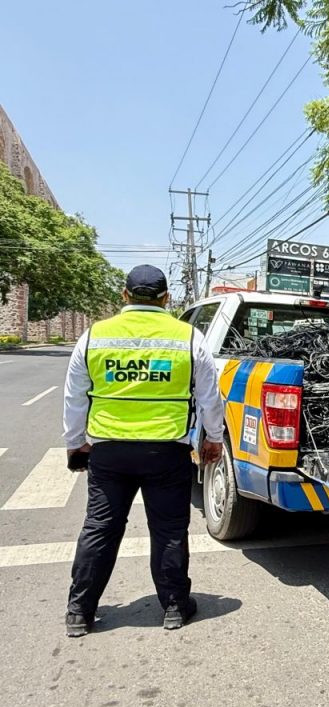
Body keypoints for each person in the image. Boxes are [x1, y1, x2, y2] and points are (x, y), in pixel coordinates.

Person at [62, 265, 225, 637]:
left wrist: (76, 443)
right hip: (166, 453)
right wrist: (212, 438)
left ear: (124, 295)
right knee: (168, 530)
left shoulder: (94, 336)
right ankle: (173, 607)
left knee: (100, 529)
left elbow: (74, 397)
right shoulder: (188, 337)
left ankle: (80, 612)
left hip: (109, 452)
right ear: (166, 298)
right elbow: (209, 397)